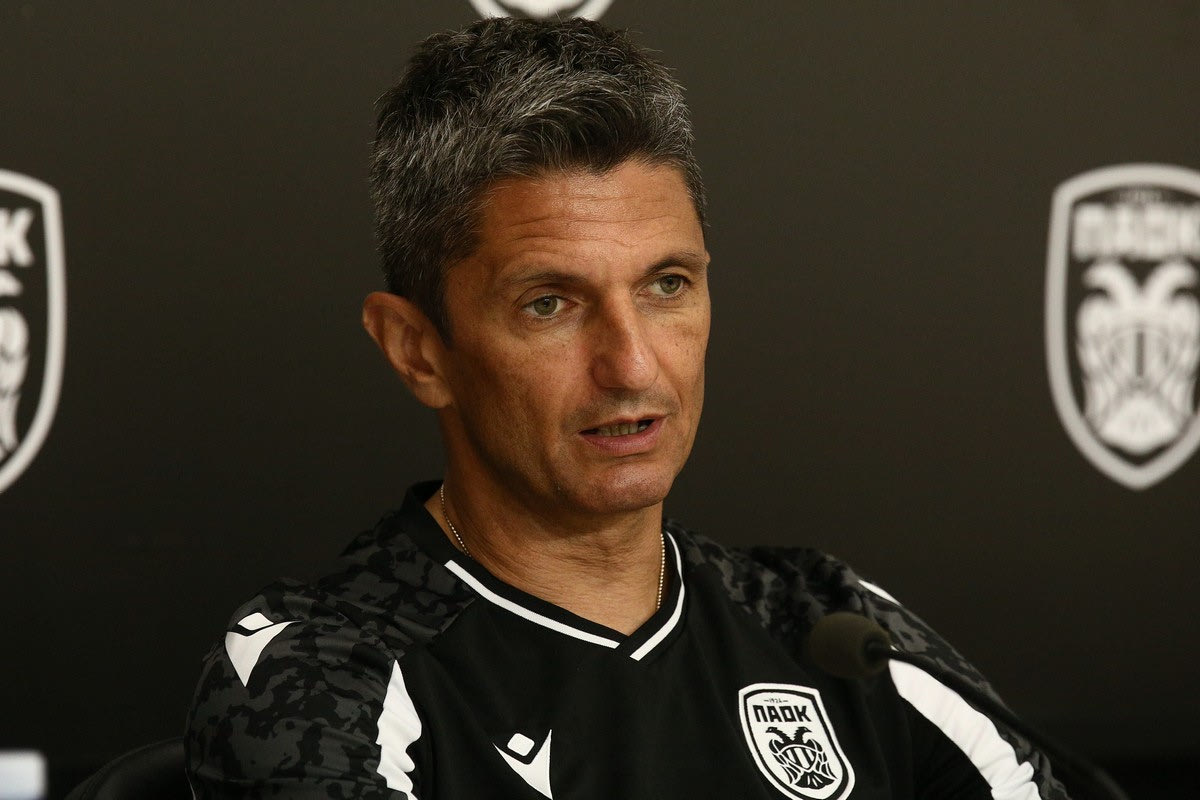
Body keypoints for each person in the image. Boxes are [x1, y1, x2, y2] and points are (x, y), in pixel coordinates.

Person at [186, 17, 1069, 800]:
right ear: (418, 350)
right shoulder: (322, 668)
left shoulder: (828, 626)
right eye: (549, 304)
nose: (633, 364)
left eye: (666, 285)